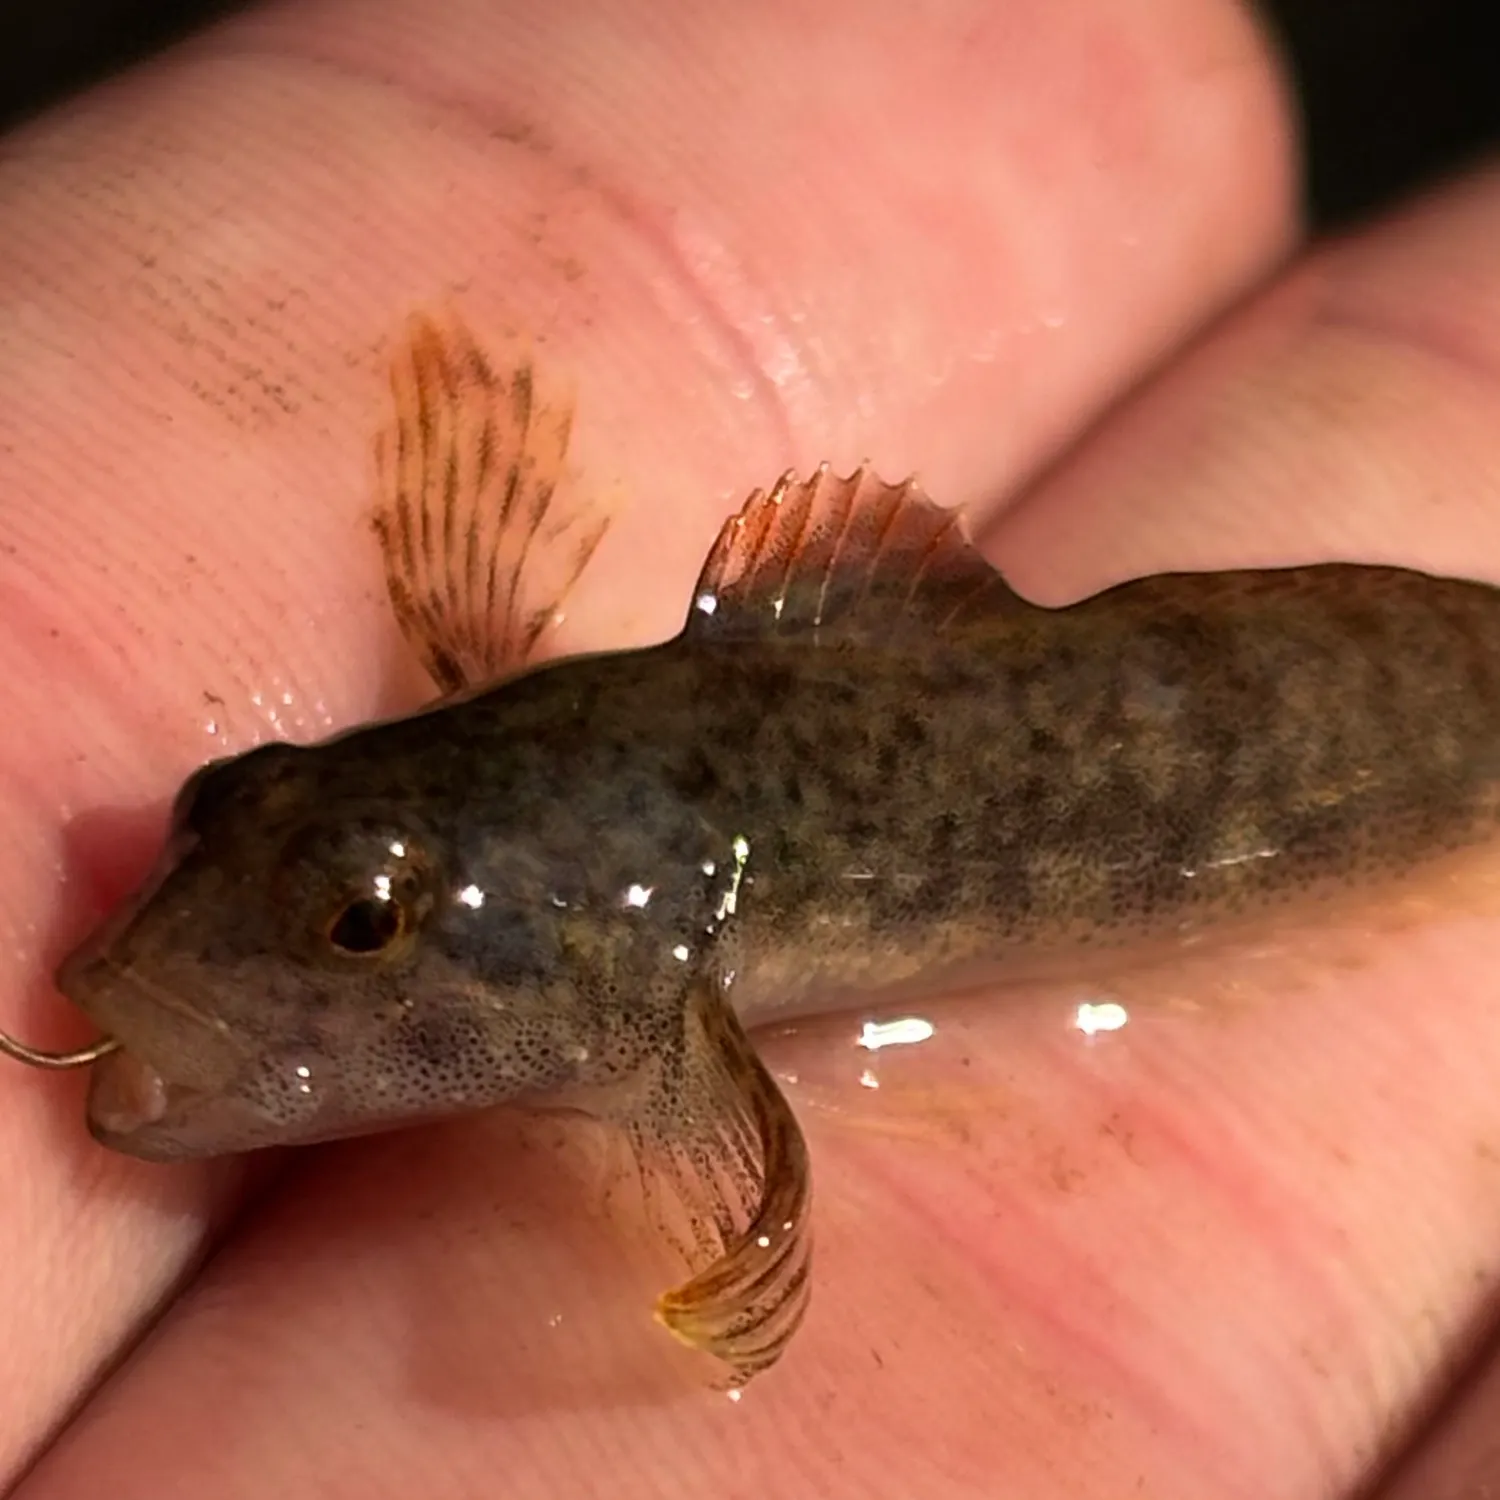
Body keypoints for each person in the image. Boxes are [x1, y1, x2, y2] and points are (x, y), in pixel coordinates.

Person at [0, 1, 1495, 1494]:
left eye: (361, 928)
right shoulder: (617, 942)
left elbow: (731, 1210)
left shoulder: (651, 996)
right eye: (232, 814)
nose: (137, 958)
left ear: (628, 974)